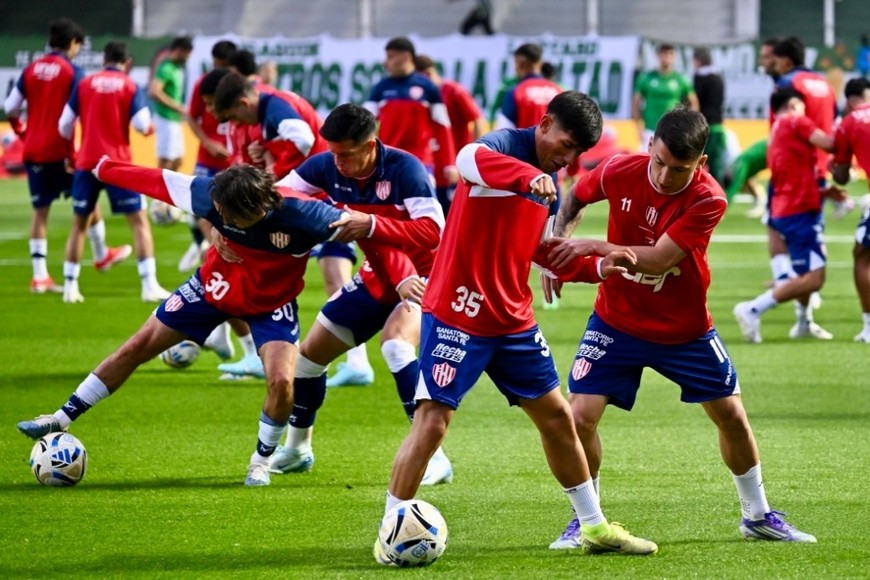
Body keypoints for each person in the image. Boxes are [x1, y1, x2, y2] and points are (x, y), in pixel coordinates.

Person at [375, 91, 658, 566]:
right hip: (458, 314)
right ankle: (390, 530)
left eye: (577, 152)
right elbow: (468, 159)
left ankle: (593, 527)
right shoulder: (501, 148)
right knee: (433, 421)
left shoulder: (549, 183)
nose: (568, 158)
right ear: (544, 124)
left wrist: (596, 268)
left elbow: (540, 252)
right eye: (565, 145)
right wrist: (528, 177)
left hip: (511, 321)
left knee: (558, 418)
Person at [543, 107, 817, 548]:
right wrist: (557, 241)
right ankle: (586, 520)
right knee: (579, 417)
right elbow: (574, 197)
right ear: (650, 145)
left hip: (684, 330)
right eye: (659, 162)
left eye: (679, 169)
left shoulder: (709, 198)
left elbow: (658, 259)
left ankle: (757, 515)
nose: (665, 176)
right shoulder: (619, 169)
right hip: (616, 321)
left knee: (732, 417)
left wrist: (590, 245)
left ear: (701, 163)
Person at [17, 156, 364, 486]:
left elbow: (367, 227)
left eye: (226, 216)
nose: (218, 217)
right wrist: (104, 168)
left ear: (254, 210)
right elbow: (155, 180)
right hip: (211, 288)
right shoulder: (209, 194)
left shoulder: (307, 216)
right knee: (137, 346)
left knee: (282, 382)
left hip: (271, 303)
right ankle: (59, 418)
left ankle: (260, 461)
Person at [233, 103, 452, 485]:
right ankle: (298, 449)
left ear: (370, 145)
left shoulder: (406, 170)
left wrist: (371, 224)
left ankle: (434, 457)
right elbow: (279, 195)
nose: (338, 163)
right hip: (376, 276)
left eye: (346, 154)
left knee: (396, 346)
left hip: (427, 277)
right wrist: (233, 227)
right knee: (307, 360)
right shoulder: (325, 165)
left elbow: (433, 231)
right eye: (333, 153)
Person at [3, 18, 127, 293]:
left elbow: (10, 106)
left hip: (33, 150)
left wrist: (22, 131)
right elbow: (73, 118)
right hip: (61, 151)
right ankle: (100, 254)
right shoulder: (73, 72)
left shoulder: (31, 68)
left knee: (40, 212)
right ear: (73, 43)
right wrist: (73, 155)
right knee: (88, 201)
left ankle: (39, 276)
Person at [57, 41, 169, 304]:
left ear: (103, 59)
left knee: (79, 225)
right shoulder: (129, 85)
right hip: (117, 164)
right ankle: (149, 285)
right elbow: (142, 124)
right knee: (138, 221)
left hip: (87, 162)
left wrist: (75, 150)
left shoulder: (85, 83)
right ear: (126, 63)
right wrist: (148, 129)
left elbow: (64, 124)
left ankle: (70, 288)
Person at [734, 90, 836, 342]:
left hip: (785, 206)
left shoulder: (776, 130)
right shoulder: (796, 120)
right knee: (814, 278)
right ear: (793, 104)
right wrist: (850, 127)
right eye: (803, 105)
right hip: (800, 210)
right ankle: (753, 309)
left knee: (805, 272)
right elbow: (830, 144)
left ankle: (803, 322)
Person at [364, 37, 457, 192]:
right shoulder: (380, 88)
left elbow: (443, 126)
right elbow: (363, 125)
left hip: (421, 162)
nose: (385, 63)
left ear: (406, 57)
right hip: (388, 162)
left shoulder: (428, 87)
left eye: (390, 57)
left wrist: (450, 164)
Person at [180, 39, 236, 274]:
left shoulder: (238, 87)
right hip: (207, 159)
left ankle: (211, 249)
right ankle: (203, 244)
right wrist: (207, 142)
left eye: (223, 65)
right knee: (198, 207)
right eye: (216, 64)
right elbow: (191, 116)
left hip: (234, 163)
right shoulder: (203, 84)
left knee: (229, 213)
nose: (218, 69)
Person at [414, 53, 485, 215]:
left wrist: (473, 158)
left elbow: (477, 120)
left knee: (456, 218)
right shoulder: (420, 96)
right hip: (432, 168)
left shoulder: (454, 91)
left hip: (455, 169)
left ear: (427, 74)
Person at [830, 78, 870, 341]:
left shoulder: (849, 122)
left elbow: (842, 176)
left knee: (862, 256)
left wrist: (834, 168)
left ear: (848, 100)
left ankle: (869, 326)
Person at [632, 43, 698, 150]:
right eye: (663, 53)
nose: (666, 57)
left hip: (673, 130)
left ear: (675, 56)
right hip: (650, 129)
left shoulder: (681, 79)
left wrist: (689, 126)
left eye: (670, 53)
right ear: (658, 55)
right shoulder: (646, 78)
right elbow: (635, 103)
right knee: (646, 158)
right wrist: (638, 127)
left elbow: (694, 103)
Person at [494, 43, 563, 130]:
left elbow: (503, 130)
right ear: (540, 63)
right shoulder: (559, 92)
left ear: (520, 64)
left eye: (515, 63)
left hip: (524, 139)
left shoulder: (516, 92)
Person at [149, 36, 193, 172]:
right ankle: (158, 185)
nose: (188, 57)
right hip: (165, 119)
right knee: (166, 161)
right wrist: (178, 107)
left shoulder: (176, 68)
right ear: (180, 50)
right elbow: (155, 92)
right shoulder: (166, 67)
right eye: (187, 54)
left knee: (178, 160)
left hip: (174, 119)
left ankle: (168, 185)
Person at [692, 47, 726, 184]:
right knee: (716, 162)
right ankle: (719, 189)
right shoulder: (718, 77)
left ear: (698, 61)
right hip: (718, 124)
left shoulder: (700, 78)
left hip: (704, 125)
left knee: (696, 158)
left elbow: (695, 100)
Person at [724, 138, 768, 217]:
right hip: (768, 151)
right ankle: (761, 203)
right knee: (748, 182)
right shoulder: (739, 163)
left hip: (770, 151)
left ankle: (763, 204)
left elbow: (734, 186)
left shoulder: (739, 165)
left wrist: (723, 207)